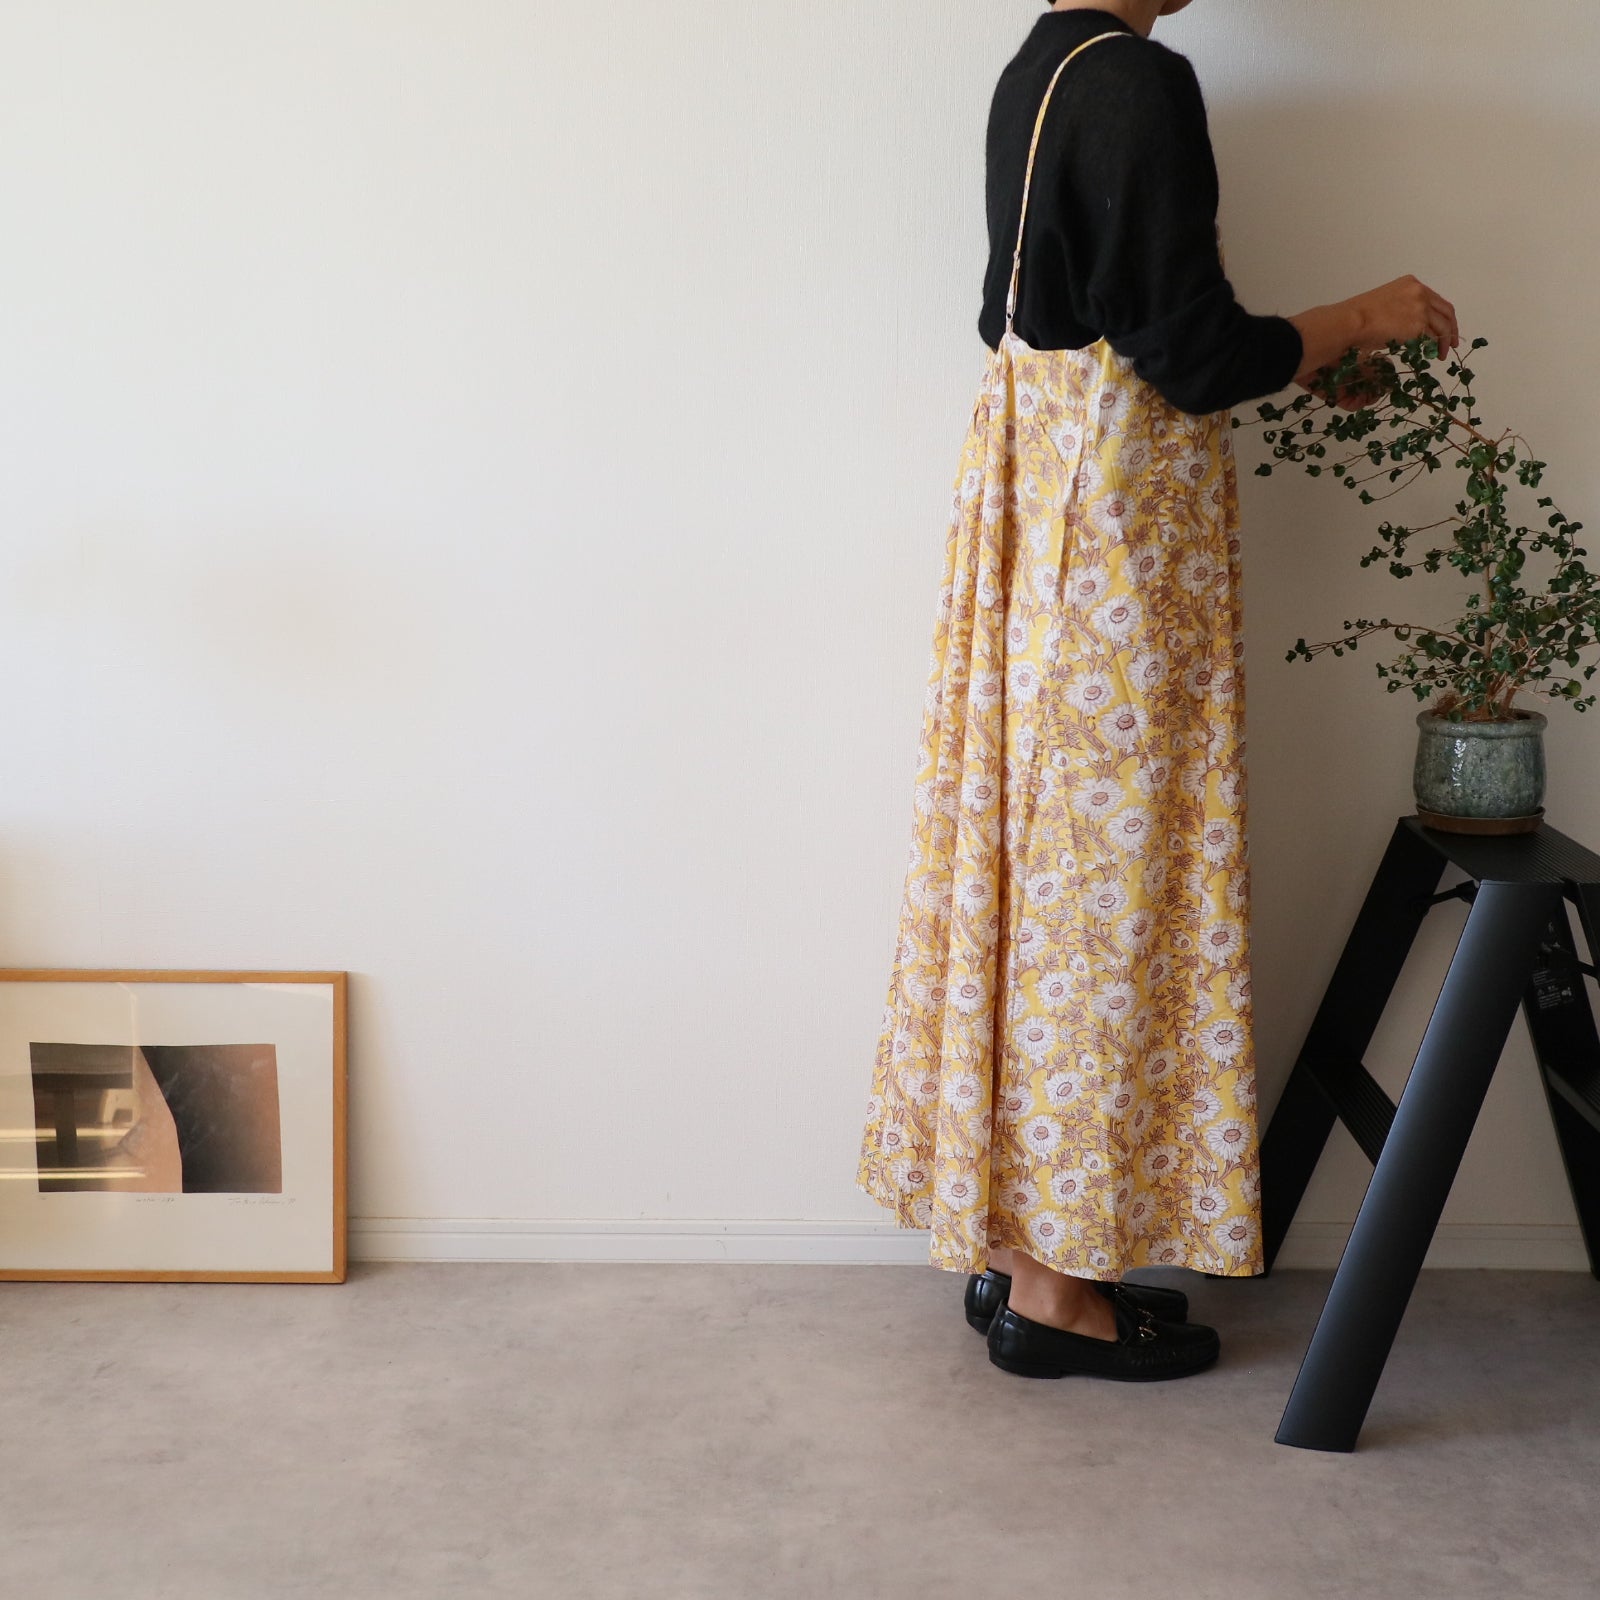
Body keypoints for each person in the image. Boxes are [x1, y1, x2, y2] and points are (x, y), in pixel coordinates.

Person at [856, 0, 1458, 1382]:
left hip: (1045, 534)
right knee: (1102, 894)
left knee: (1038, 877)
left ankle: (1016, 1241)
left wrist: (1305, 352)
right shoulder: (1135, 80)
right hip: (1116, 562)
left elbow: (1084, 317)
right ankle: (1055, 1293)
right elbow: (1190, 357)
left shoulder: (1044, 64)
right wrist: (1358, 317)